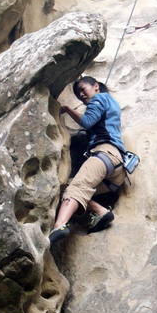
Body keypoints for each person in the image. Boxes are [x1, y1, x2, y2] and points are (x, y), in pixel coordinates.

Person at [49, 76, 126, 245]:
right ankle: (101, 211)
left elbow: (87, 121)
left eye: (83, 89)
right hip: (116, 169)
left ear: (96, 86)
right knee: (69, 188)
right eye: (78, 94)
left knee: (77, 187)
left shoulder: (99, 98)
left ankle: (59, 225)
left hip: (104, 155)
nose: (81, 95)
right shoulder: (111, 102)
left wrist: (68, 109)